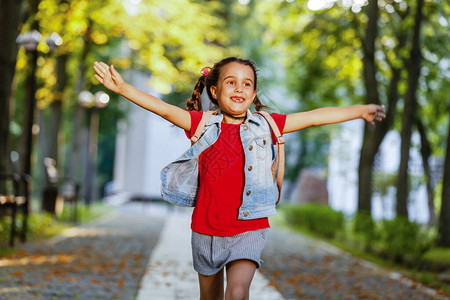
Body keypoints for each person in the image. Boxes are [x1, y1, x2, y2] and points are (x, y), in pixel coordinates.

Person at [93, 56, 385, 300]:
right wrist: (122, 88)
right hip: (206, 229)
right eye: (231, 82)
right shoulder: (202, 124)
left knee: (237, 293)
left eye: (247, 84)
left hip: (249, 226)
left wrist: (360, 111)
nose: (239, 88)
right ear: (215, 91)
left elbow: (314, 117)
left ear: (254, 95)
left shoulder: (267, 125)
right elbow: (164, 110)